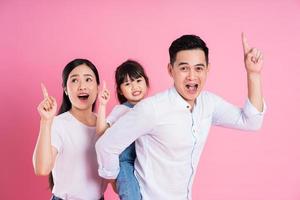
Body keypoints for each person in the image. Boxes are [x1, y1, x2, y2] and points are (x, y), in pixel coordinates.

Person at [95, 33, 266, 200]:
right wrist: (115, 181)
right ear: (171, 70)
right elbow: (106, 145)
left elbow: (251, 122)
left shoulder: (209, 104)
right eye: (184, 68)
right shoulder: (151, 109)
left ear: (208, 69)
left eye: (199, 68)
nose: (192, 76)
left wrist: (253, 74)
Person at [33, 59, 107, 200]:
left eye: (88, 79)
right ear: (65, 90)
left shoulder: (104, 125)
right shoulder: (58, 124)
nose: (82, 86)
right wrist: (45, 121)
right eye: (74, 80)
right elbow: (42, 169)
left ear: (98, 87)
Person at [96, 60, 149, 200]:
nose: (134, 87)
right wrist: (102, 105)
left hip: (145, 162)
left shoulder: (151, 108)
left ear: (146, 82)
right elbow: (101, 132)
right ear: (120, 90)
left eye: (138, 80)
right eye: (127, 84)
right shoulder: (121, 110)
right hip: (125, 163)